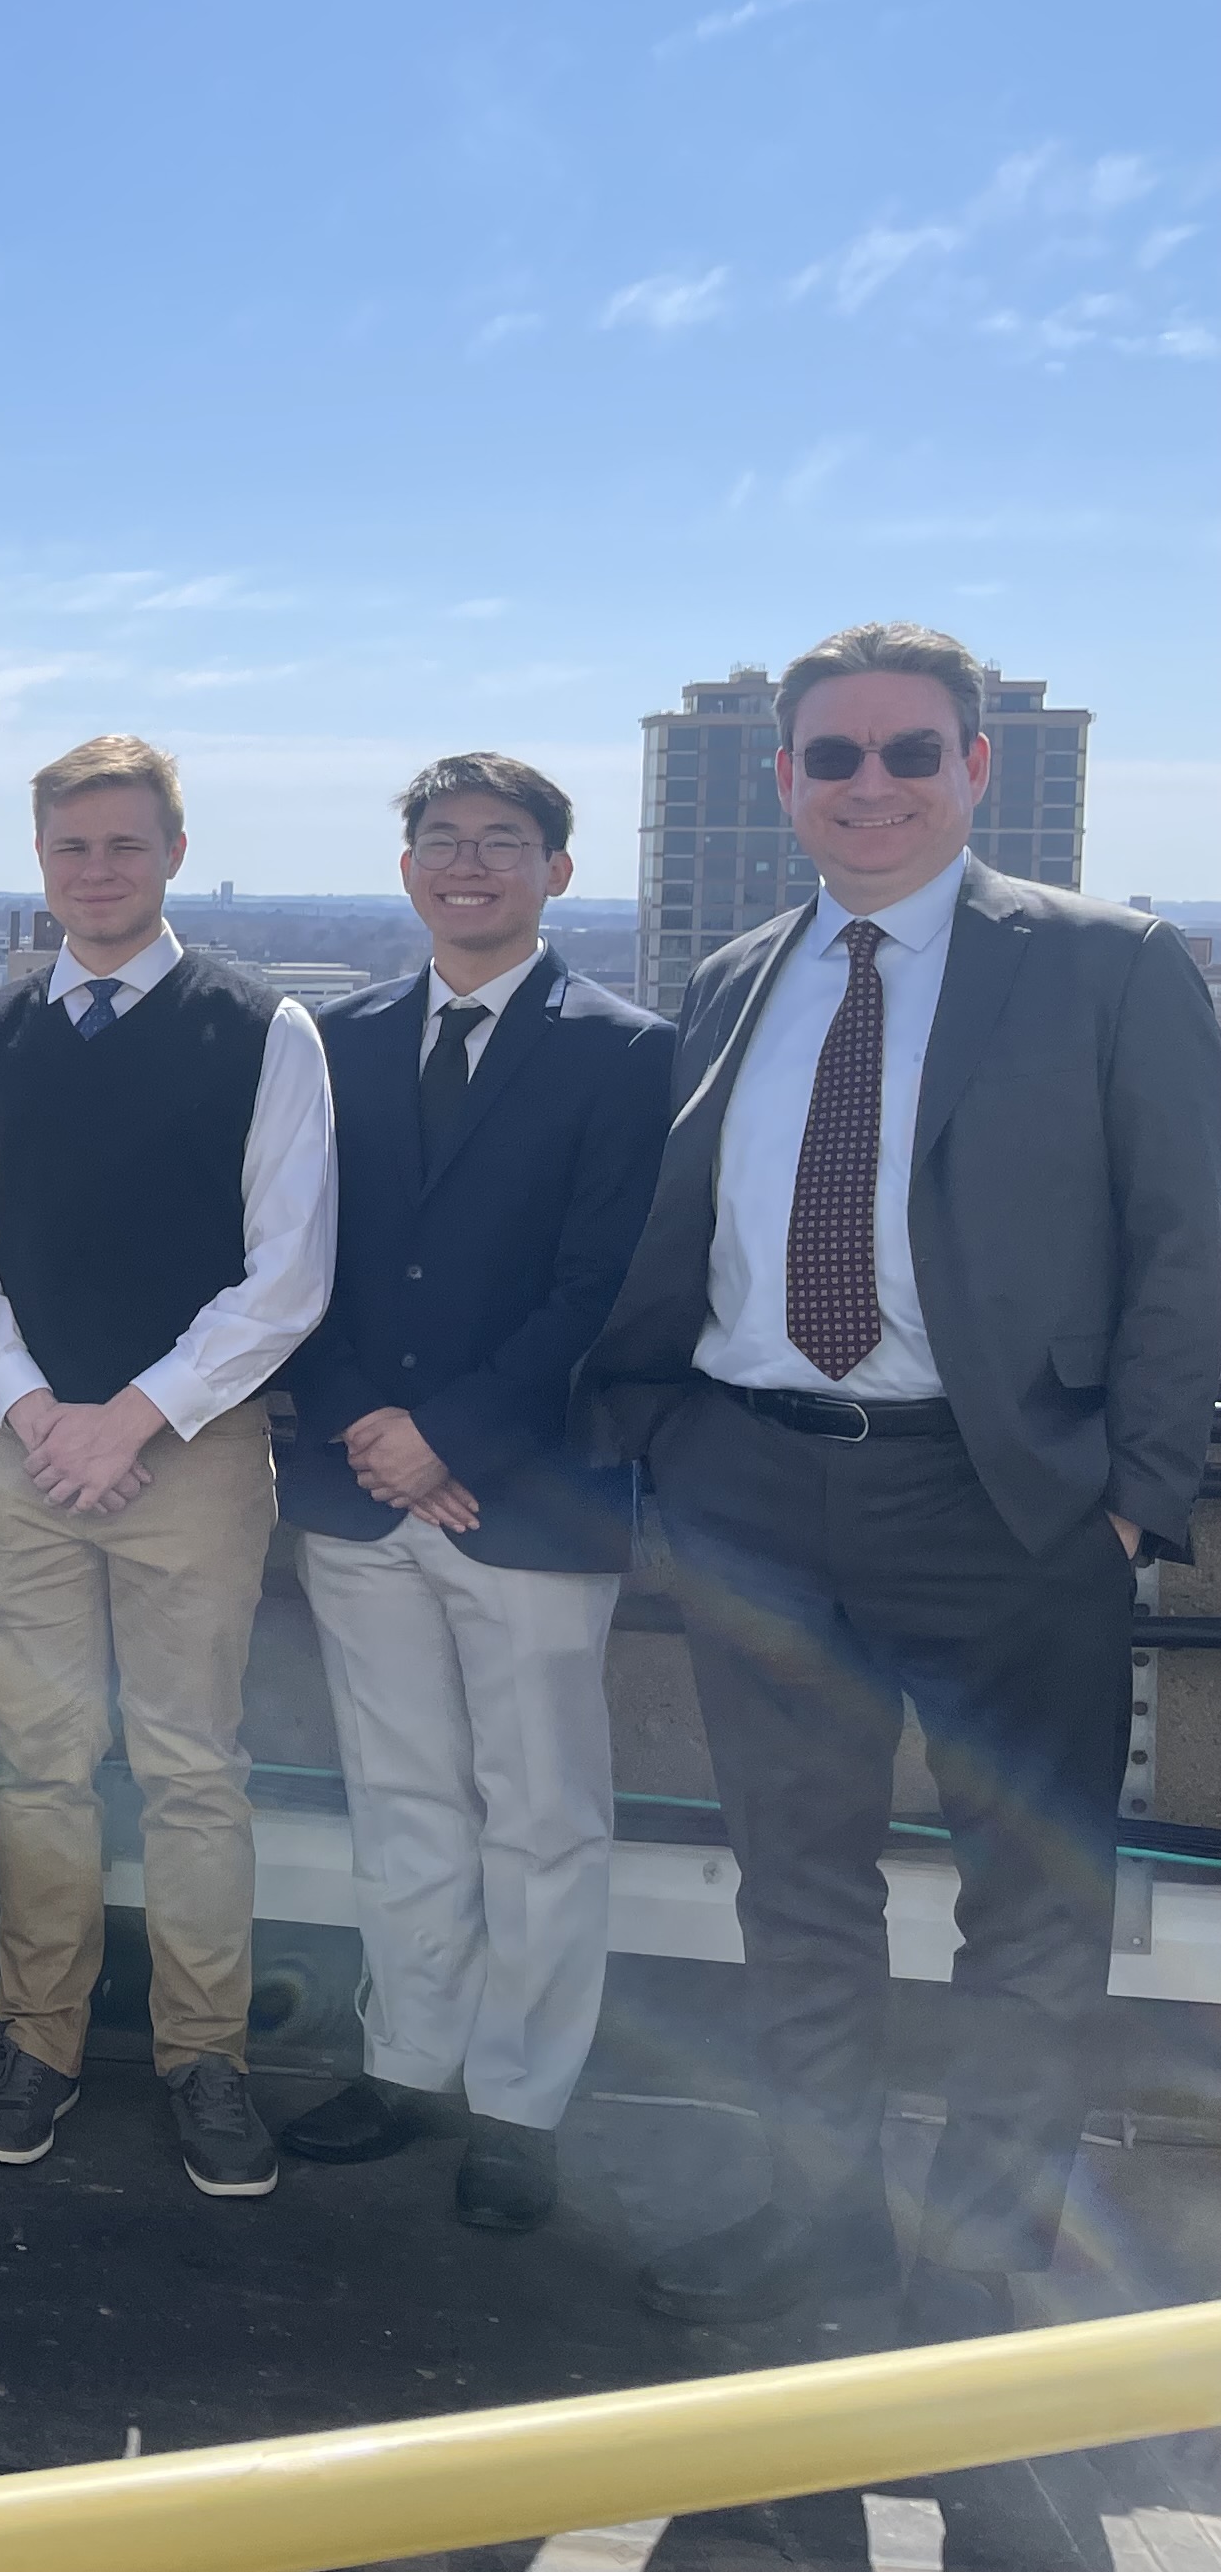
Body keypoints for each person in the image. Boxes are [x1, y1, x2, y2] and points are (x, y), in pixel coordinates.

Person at [580, 622, 1221, 2337]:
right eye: (834, 755)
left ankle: (982, 2258)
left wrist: (1132, 1490)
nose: (872, 784)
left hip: (1005, 1501)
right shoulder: (737, 973)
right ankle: (825, 2223)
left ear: (976, 767)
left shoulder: (1107, 964)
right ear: (784, 776)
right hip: (752, 1492)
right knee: (796, 1891)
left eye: (910, 750)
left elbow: (1190, 1239)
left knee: (1030, 1900)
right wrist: (670, 1444)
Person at [0, 735, 334, 2199]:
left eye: (125, 844)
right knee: (37, 1769)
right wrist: (42, 1416)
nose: (97, 871)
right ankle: (37, 2042)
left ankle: (203, 2057)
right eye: (72, 847)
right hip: (19, 1452)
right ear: (41, 861)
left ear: (174, 853)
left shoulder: (264, 1030)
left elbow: (289, 1276)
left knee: (192, 1770)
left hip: (194, 1458)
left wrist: (133, 1417)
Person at [269, 761, 671, 2231]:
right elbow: (290, 1256)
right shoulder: (336, 1043)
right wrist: (368, 1425)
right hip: (357, 1489)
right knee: (401, 1800)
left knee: (545, 1817)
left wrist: (449, 1439)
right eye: (444, 841)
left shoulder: (630, 1054)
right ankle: (408, 2062)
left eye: (506, 843)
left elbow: (606, 1284)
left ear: (558, 872)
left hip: (533, 1497)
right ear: (406, 868)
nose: (470, 865)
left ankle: (520, 2105)